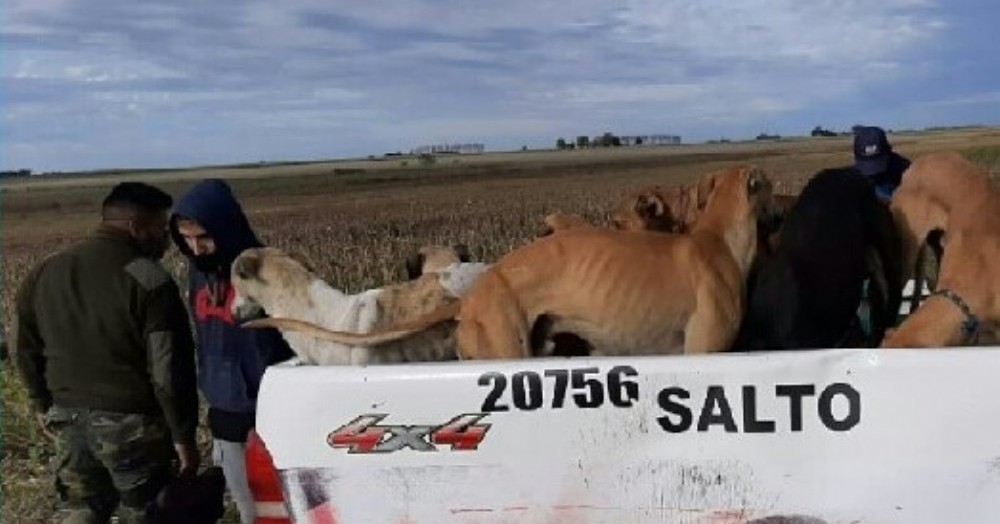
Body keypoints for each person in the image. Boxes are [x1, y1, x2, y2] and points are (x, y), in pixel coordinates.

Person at [14, 182, 200, 524]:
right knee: (145, 512)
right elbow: (168, 369)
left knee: (79, 511)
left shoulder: (45, 271)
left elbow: (25, 350)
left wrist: (43, 404)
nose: (165, 239)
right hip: (132, 425)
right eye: (160, 228)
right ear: (136, 227)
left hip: (68, 419)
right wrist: (183, 435)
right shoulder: (150, 280)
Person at [168, 178, 294, 524]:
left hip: (274, 407)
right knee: (248, 509)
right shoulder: (198, 274)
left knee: (288, 508)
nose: (196, 248)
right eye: (187, 239)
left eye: (204, 237)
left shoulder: (269, 270)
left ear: (225, 228)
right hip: (226, 409)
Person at [853, 125, 911, 201]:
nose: (873, 173)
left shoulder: (907, 171)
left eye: (877, 165)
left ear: (888, 151)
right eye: (867, 166)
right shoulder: (853, 179)